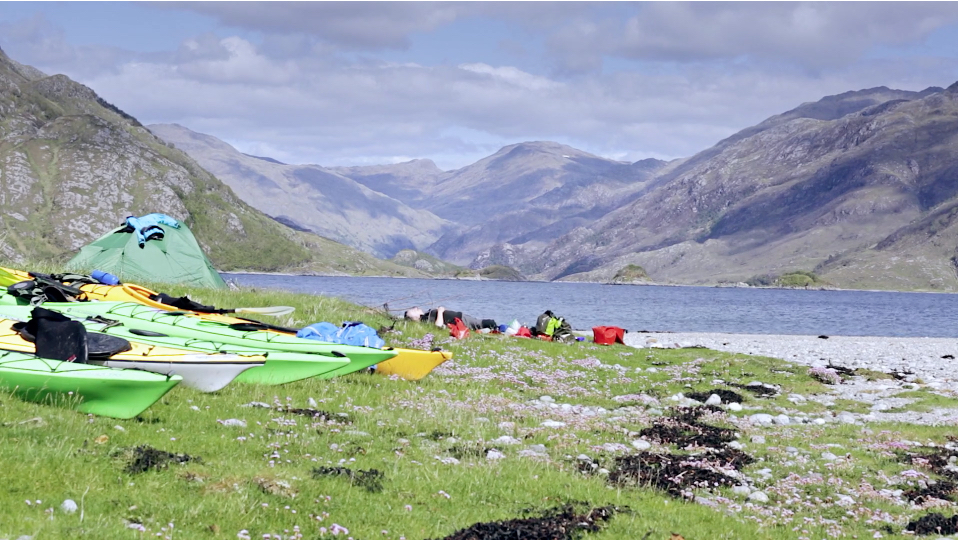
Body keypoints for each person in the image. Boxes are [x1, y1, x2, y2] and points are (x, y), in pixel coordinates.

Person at [404, 306, 497, 331]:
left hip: (460, 317)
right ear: (413, 318)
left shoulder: (425, 316)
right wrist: (440, 311)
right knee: (485, 323)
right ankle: (500, 330)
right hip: (461, 320)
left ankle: (496, 329)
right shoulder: (424, 320)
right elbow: (438, 326)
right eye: (413, 310)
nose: (416, 308)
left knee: (481, 323)